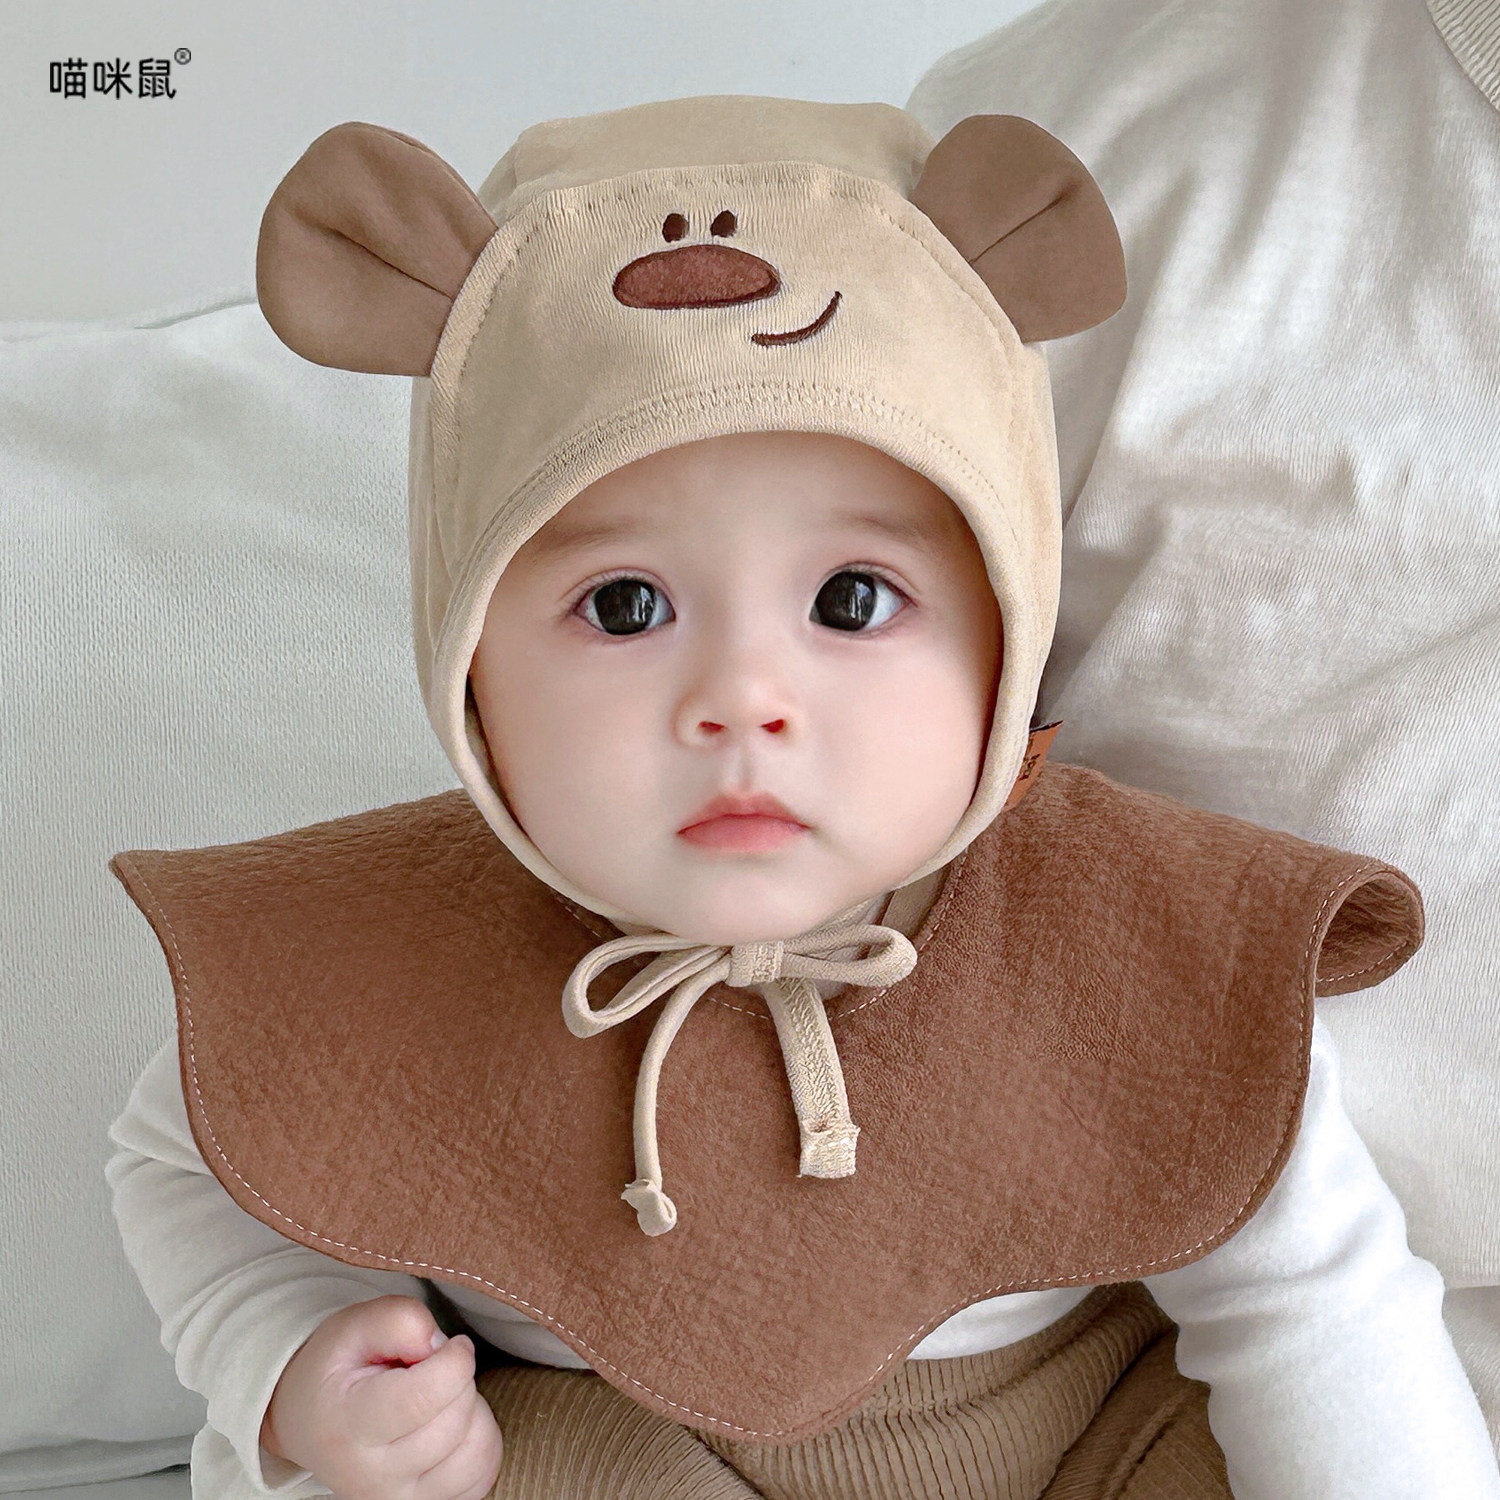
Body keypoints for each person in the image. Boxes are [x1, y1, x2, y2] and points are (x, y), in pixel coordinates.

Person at [104, 96, 1500, 1500]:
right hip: (610, 1444)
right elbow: (187, 1156)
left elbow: (1312, 1306)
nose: (741, 700)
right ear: (467, 666)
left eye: (853, 600)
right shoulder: (390, 942)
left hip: (1074, 1438)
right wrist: (292, 1356)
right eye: (625, 604)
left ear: (1006, 636)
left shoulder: (1132, 927)